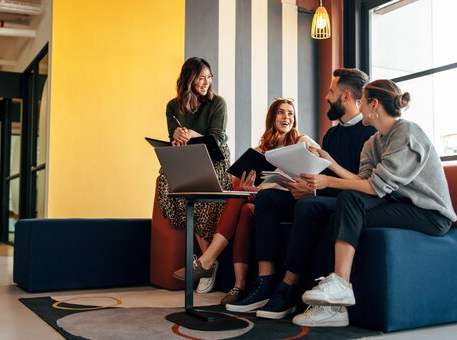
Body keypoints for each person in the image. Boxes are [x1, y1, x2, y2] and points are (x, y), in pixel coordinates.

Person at [292, 79, 457, 327]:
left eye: (363, 101)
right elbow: (363, 181)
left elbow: (374, 187)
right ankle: (336, 308)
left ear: (374, 104)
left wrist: (328, 181)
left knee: (348, 202)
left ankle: (340, 285)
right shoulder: (373, 142)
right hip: (401, 205)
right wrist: (330, 164)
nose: (359, 107)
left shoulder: (407, 133)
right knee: (342, 212)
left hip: (430, 214)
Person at [226, 68, 377, 320]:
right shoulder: (332, 134)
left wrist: (313, 190)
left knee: (307, 206)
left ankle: (287, 289)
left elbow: (362, 184)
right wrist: (302, 185)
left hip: (349, 201)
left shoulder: (370, 133)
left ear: (347, 96)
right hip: (322, 194)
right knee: (268, 199)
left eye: (331, 91)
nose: (326, 97)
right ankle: (265, 282)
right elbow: (318, 172)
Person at [173, 97, 319, 300]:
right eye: (281, 112)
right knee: (241, 200)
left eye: (290, 113)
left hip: (294, 201)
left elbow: (320, 168)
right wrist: (248, 189)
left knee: (243, 199)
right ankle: (238, 286)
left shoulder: (302, 142)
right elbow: (256, 188)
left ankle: (207, 261)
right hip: (266, 202)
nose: (286, 117)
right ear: (272, 118)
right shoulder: (260, 151)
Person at [157, 57, 233, 293]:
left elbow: (218, 139)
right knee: (169, 182)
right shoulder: (173, 106)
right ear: (189, 79)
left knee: (200, 196)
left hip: (215, 159)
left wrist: (192, 133)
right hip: (188, 157)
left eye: (209, 77)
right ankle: (208, 262)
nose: (206, 82)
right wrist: (178, 137)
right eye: (201, 77)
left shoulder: (218, 103)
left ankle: (205, 262)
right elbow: (173, 136)